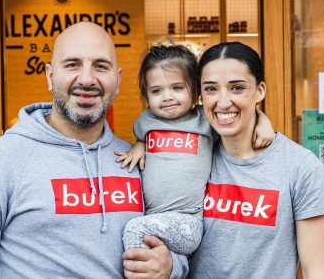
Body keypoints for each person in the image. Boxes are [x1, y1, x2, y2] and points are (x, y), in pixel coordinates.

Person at [0, 22, 188, 278]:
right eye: (72, 65)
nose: (87, 79)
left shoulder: (139, 160)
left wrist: (171, 266)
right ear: (49, 76)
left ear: (118, 80)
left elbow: (179, 235)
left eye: (101, 66)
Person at [188, 42, 324, 278]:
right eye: (211, 89)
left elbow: (315, 270)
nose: (223, 102)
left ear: (260, 91)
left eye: (237, 88)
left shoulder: (302, 168)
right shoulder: (193, 152)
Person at [116, 44, 274, 256]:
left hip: (188, 221)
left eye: (177, 88)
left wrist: (263, 122)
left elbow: (241, 118)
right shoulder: (146, 120)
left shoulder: (204, 120)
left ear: (196, 90)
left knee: (135, 230)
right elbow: (142, 138)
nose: (167, 97)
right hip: (152, 216)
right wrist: (139, 145)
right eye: (156, 91)